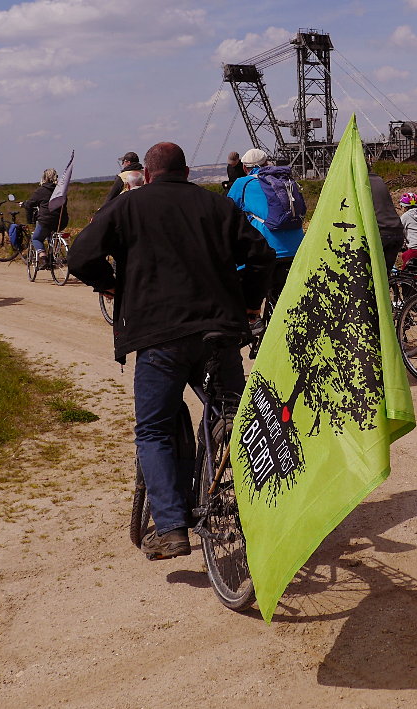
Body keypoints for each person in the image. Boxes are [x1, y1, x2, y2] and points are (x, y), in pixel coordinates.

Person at [68, 142, 275, 561]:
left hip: (158, 337)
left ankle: (171, 529)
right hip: (220, 333)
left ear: (147, 172)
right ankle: (263, 510)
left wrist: (112, 284)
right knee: (234, 418)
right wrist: (250, 305)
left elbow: (80, 255)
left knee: (155, 430)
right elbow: (261, 254)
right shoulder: (216, 206)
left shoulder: (128, 207)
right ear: (187, 171)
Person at [227, 147, 304, 300]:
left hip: (267, 251)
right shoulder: (287, 181)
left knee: (242, 288)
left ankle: (254, 320)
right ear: (266, 162)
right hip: (297, 247)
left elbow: (227, 210)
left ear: (244, 167)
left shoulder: (242, 183)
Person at [22, 168, 69, 268]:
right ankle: (52, 256)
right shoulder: (61, 190)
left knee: (36, 238)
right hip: (62, 221)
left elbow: (30, 203)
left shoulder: (41, 190)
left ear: (44, 178)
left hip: (46, 221)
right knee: (51, 234)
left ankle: (43, 258)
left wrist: (24, 204)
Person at [368, 167, 404, 275]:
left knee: (368, 274)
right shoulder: (378, 179)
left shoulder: (361, 181)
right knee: (384, 276)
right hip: (397, 231)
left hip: (381, 232)